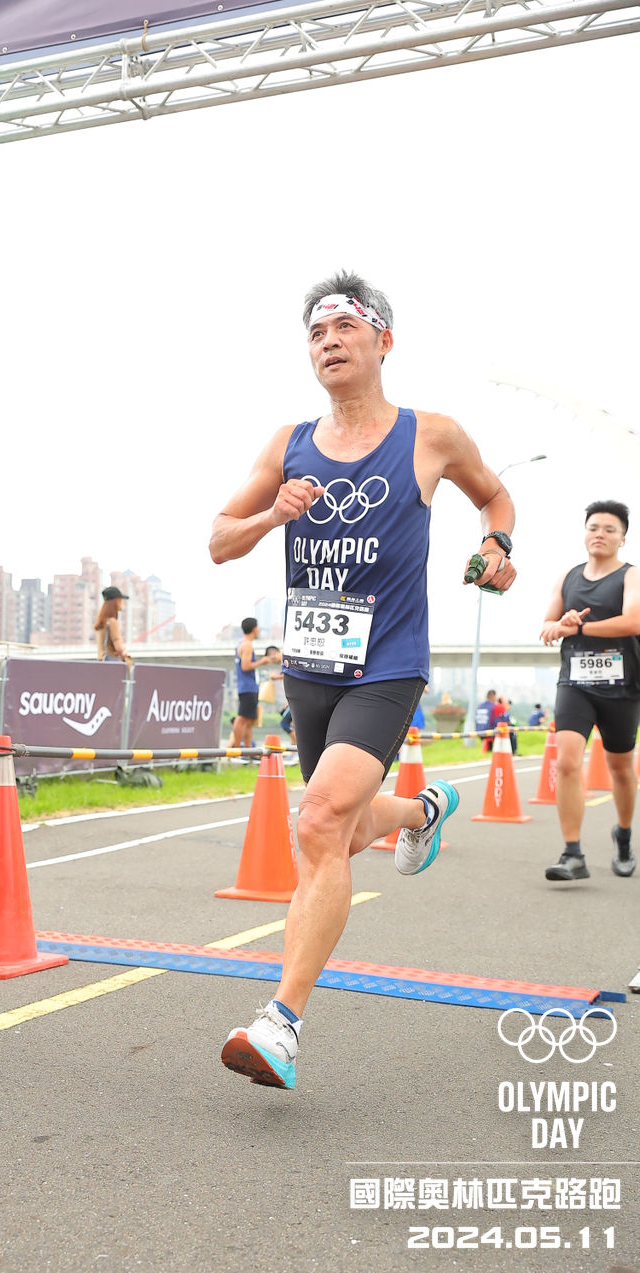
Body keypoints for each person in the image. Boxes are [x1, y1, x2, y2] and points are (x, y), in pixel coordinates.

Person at [209, 269, 517, 1089]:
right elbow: (218, 540)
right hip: (311, 667)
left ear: (383, 340)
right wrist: (273, 514)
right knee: (335, 834)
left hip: (387, 663)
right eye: (315, 333)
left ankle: (280, 1024)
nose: (328, 343)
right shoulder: (287, 444)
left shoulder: (430, 435)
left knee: (316, 821)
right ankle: (420, 810)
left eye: (343, 327)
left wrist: (496, 547)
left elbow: (494, 499)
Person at [540, 500, 640, 882]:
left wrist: (579, 627)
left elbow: (633, 621)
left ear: (622, 538)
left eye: (609, 529)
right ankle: (572, 854)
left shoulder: (631, 576)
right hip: (575, 684)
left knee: (621, 769)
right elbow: (547, 626)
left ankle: (624, 836)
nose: (600, 534)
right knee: (566, 762)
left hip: (622, 687)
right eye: (594, 527)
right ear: (585, 533)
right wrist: (559, 624)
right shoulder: (568, 577)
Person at [228, 617, 273, 749]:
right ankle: (237, 750)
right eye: (258, 627)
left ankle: (247, 751)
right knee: (242, 718)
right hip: (248, 687)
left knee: (249, 720)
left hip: (248, 687)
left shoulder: (241, 644)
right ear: (254, 628)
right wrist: (261, 662)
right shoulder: (247, 645)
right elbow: (246, 666)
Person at [94, 586, 132, 668]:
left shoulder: (101, 622)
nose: (121, 602)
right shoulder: (112, 622)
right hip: (113, 665)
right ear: (117, 600)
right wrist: (124, 650)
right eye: (120, 600)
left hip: (101, 663)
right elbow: (119, 648)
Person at [474, 688, 500, 752]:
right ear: (493, 696)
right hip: (489, 732)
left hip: (479, 732)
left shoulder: (479, 706)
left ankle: (489, 749)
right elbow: (497, 721)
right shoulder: (493, 707)